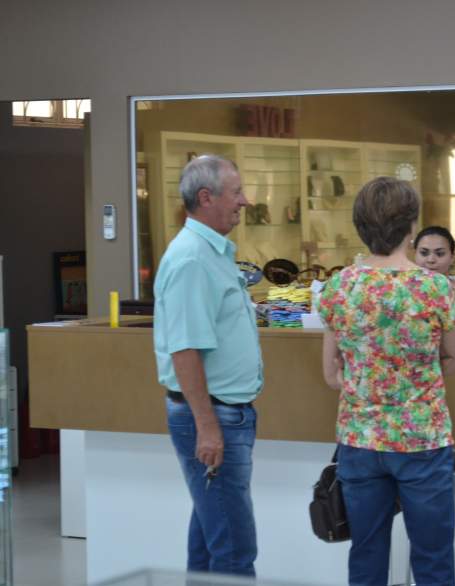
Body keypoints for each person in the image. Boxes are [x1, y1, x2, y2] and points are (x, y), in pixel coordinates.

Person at [319, 177, 455, 586]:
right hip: (421, 438)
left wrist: (366, 378)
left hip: (359, 440)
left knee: (366, 553)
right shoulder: (435, 287)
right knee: (432, 559)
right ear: (411, 227)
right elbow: (451, 360)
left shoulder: (339, 287)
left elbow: (331, 374)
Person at [153, 155, 261, 576]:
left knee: (210, 545)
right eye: (236, 192)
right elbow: (185, 351)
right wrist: (208, 427)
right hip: (213, 417)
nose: (244, 201)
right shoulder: (192, 259)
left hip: (226, 414)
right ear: (205, 197)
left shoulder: (211, 252)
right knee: (234, 551)